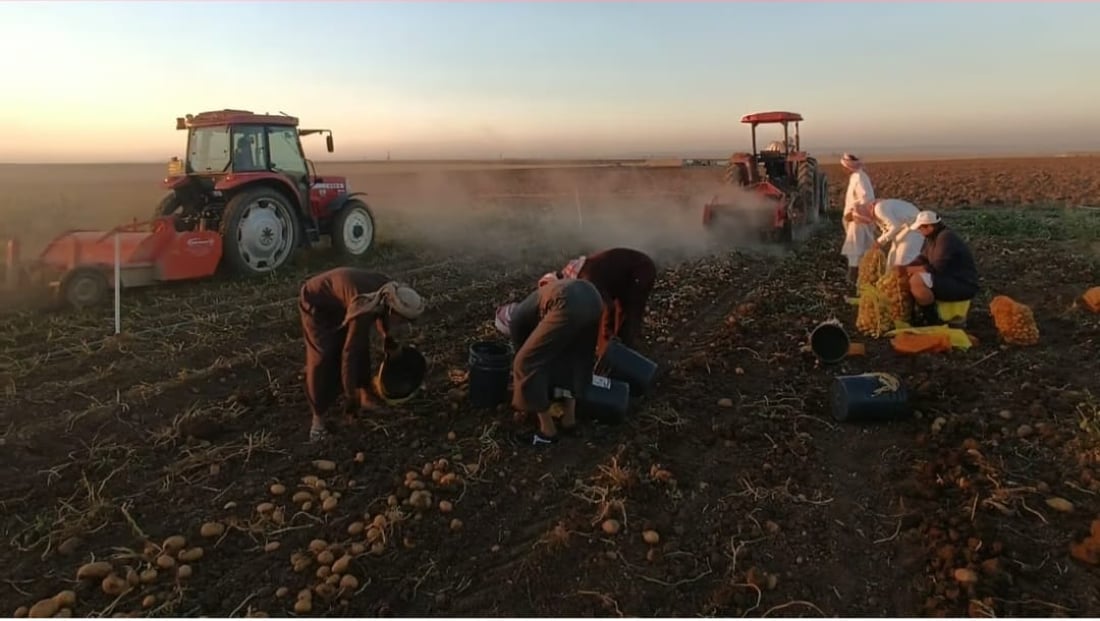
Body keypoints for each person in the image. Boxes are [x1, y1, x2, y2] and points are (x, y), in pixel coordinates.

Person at [298, 267, 425, 443]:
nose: (403, 324)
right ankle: (317, 422)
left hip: (342, 298)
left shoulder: (389, 292)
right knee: (323, 357)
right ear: (392, 310)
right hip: (316, 302)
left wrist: (387, 339)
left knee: (361, 342)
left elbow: (382, 316)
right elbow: (349, 355)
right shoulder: (365, 306)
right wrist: (351, 398)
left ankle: (366, 395)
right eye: (402, 320)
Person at [496, 277, 605, 447]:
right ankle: (569, 422)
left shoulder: (516, 321)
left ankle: (547, 432)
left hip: (567, 302)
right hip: (593, 298)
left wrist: (525, 391)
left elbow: (528, 362)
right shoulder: (531, 307)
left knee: (525, 363)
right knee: (575, 358)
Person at [545, 248, 657, 353]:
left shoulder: (588, 278)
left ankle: (624, 353)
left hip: (641, 271)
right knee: (614, 314)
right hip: (624, 276)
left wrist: (607, 333)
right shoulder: (580, 274)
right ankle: (614, 350)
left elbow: (608, 306)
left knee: (626, 314)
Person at [905, 210, 980, 326]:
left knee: (917, 281)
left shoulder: (946, 238)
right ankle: (920, 315)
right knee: (911, 276)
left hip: (961, 283)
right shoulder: (933, 238)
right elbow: (923, 258)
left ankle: (931, 319)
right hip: (948, 278)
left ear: (929, 227)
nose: (920, 232)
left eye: (921, 228)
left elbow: (937, 267)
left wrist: (908, 270)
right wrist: (906, 267)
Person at [840, 153, 877, 286]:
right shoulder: (855, 177)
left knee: (855, 247)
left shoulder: (860, 177)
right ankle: (865, 276)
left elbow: (866, 199)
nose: (843, 169)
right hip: (856, 218)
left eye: (844, 166)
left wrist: (854, 213)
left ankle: (853, 276)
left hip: (858, 219)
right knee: (861, 247)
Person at [863, 198, 925, 266]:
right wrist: (879, 243)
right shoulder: (877, 213)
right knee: (891, 262)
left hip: (914, 229)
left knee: (902, 261)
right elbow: (888, 229)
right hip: (904, 231)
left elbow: (895, 226)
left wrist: (879, 242)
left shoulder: (878, 209)